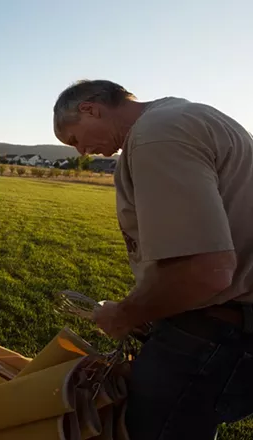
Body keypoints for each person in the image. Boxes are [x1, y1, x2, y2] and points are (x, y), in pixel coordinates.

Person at [53, 79, 253, 439]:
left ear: (89, 109)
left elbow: (205, 271)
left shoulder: (156, 135)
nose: (81, 151)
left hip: (211, 331)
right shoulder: (195, 116)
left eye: (74, 138)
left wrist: (125, 314)